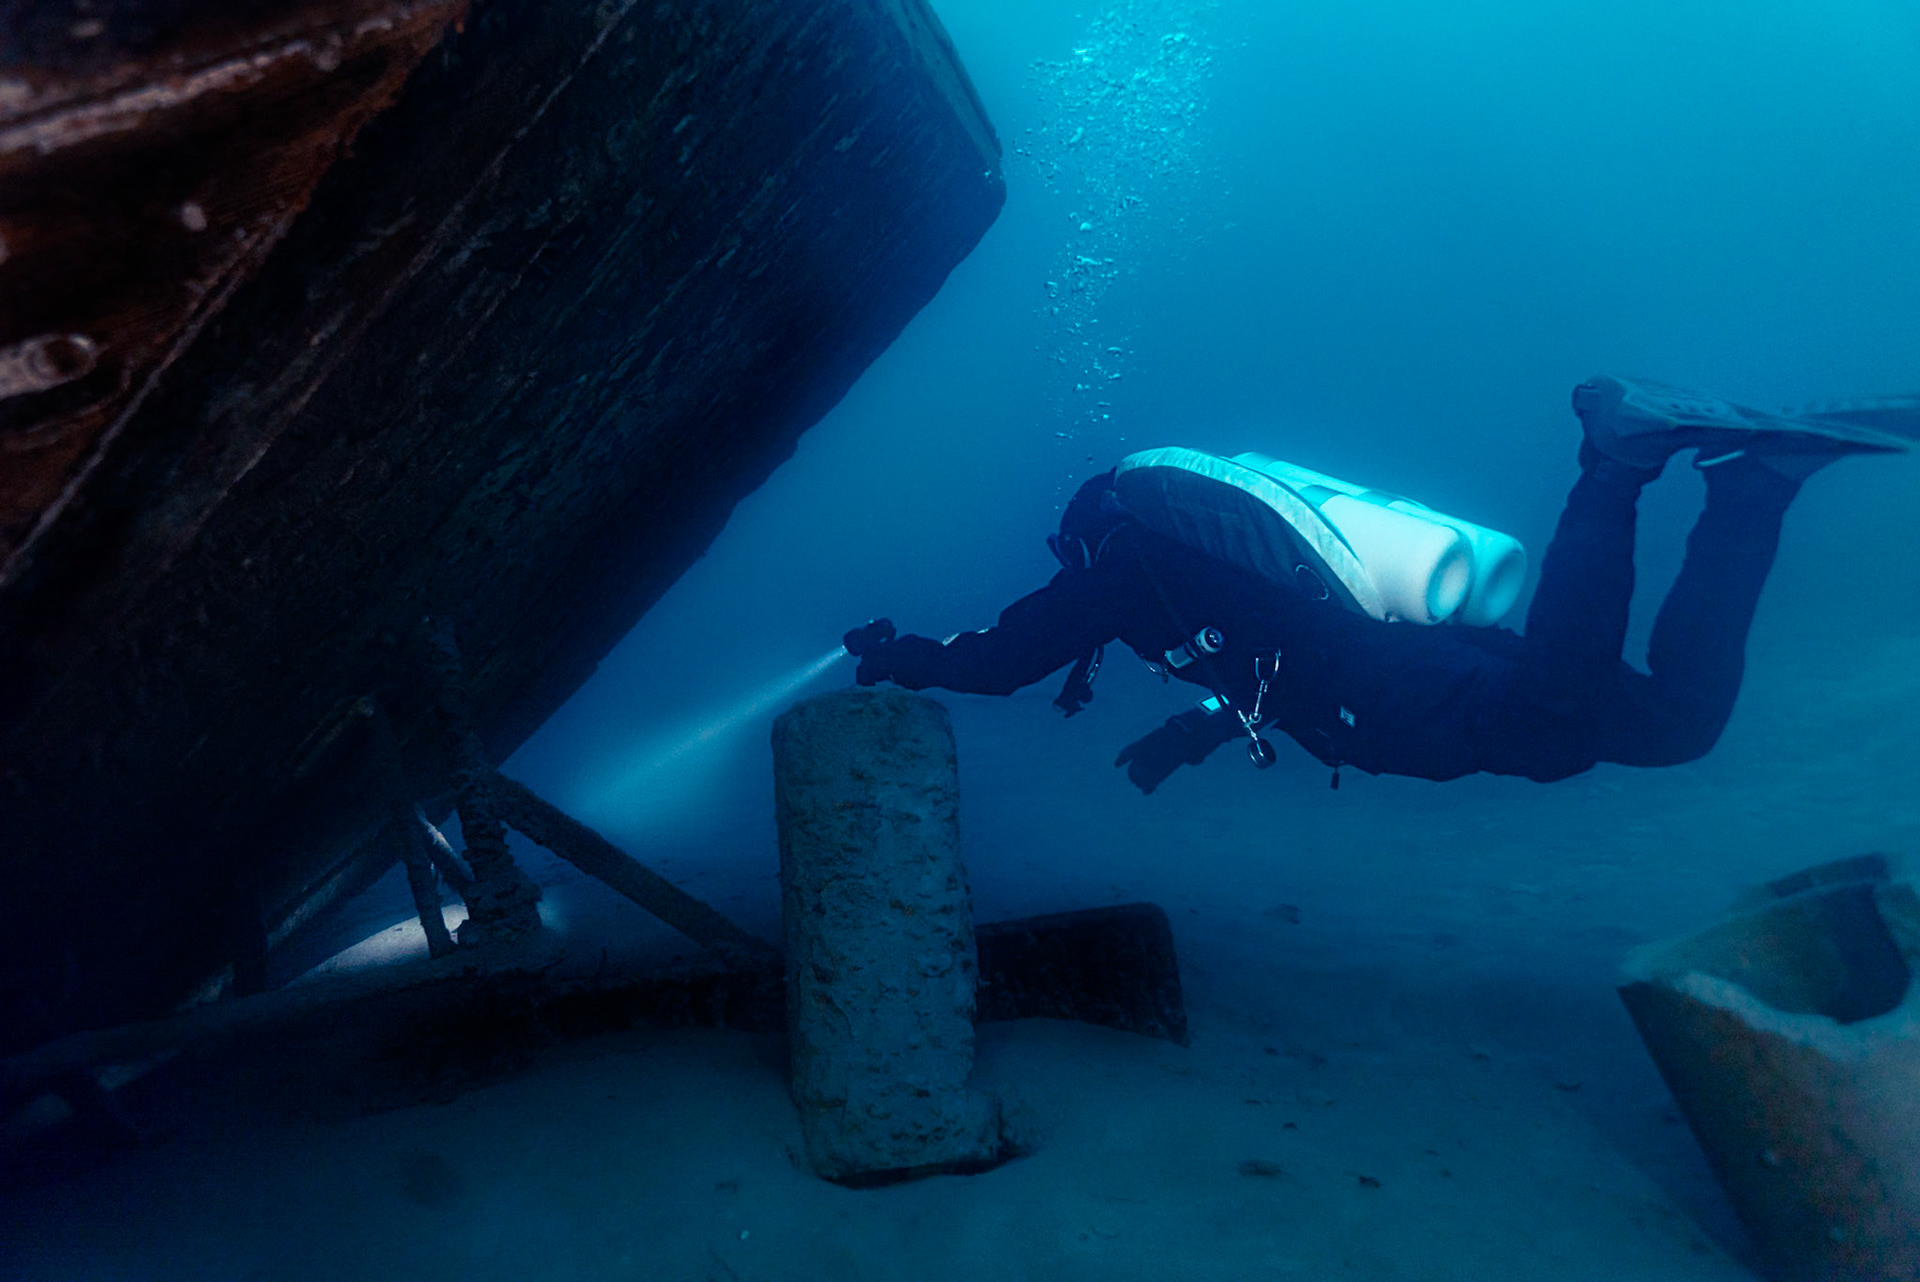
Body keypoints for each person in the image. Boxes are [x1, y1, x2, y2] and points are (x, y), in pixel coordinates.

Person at [842, 375, 1912, 793]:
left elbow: (994, 664)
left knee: (1551, 728)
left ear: (1087, 536)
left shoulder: (1115, 580)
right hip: (1423, 648)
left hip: (1395, 694)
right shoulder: (1201, 562)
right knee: (1673, 725)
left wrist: (898, 657)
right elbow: (1258, 653)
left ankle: (1616, 466)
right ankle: (1751, 491)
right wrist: (1193, 733)